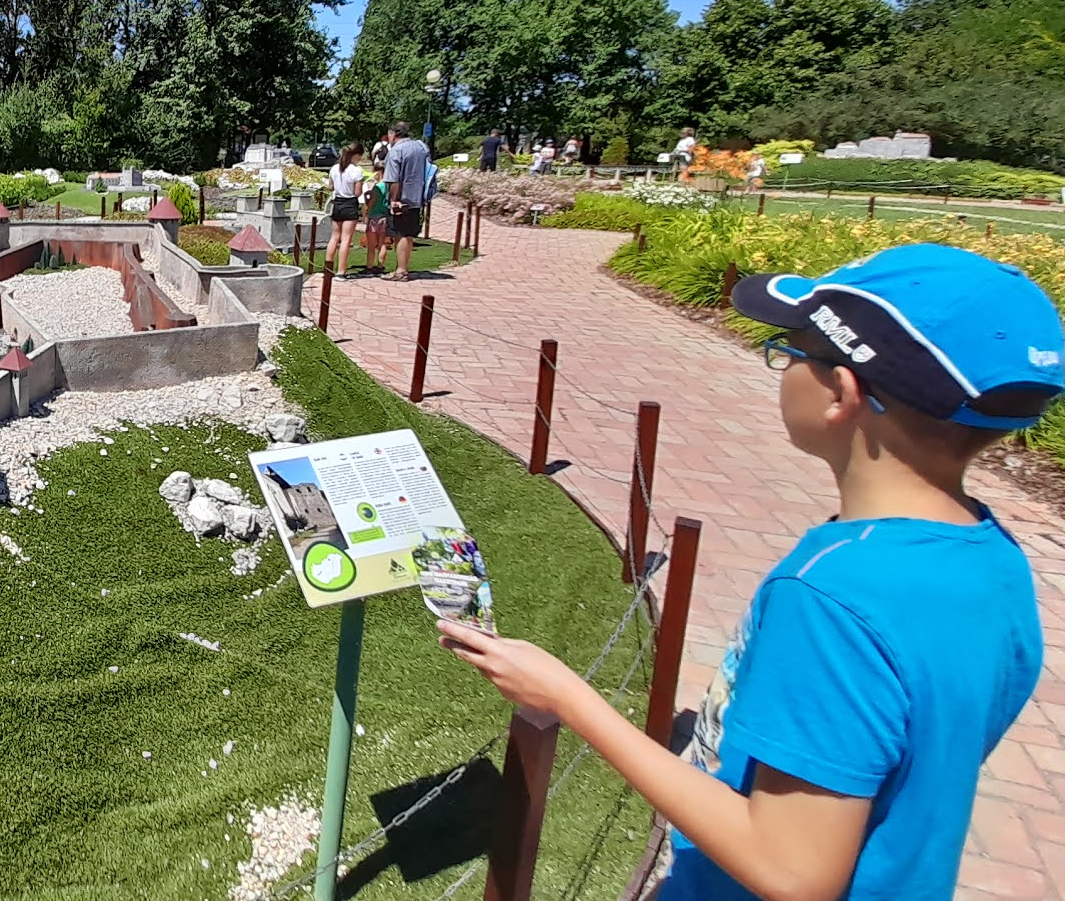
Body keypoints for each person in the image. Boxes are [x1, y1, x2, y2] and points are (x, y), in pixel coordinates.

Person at [438, 242, 1061, 901]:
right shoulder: (995, 560)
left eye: (790, 350)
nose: (782, 365)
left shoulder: (830, 597)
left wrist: (566, 697)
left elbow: (791, 868)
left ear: (840, 393)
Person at [379, 121, 430, 281]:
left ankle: (401, 271)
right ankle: (403, 268)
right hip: (417, 197)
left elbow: (393, 180)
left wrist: (394, 200)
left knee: (399, 234)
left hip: (401, 200)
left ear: (393, 134)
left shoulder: (396, 151)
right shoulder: (421, 147)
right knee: (408, 235)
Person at [326, 144, 365, 277]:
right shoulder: (356, 171)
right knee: (346, 239)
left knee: (334, 237)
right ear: (355, 155)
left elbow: (330, 187)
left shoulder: (334, 168)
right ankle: (341, 270)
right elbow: (357, 193)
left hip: (337, 202)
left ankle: (328, 268)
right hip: (349, 203)